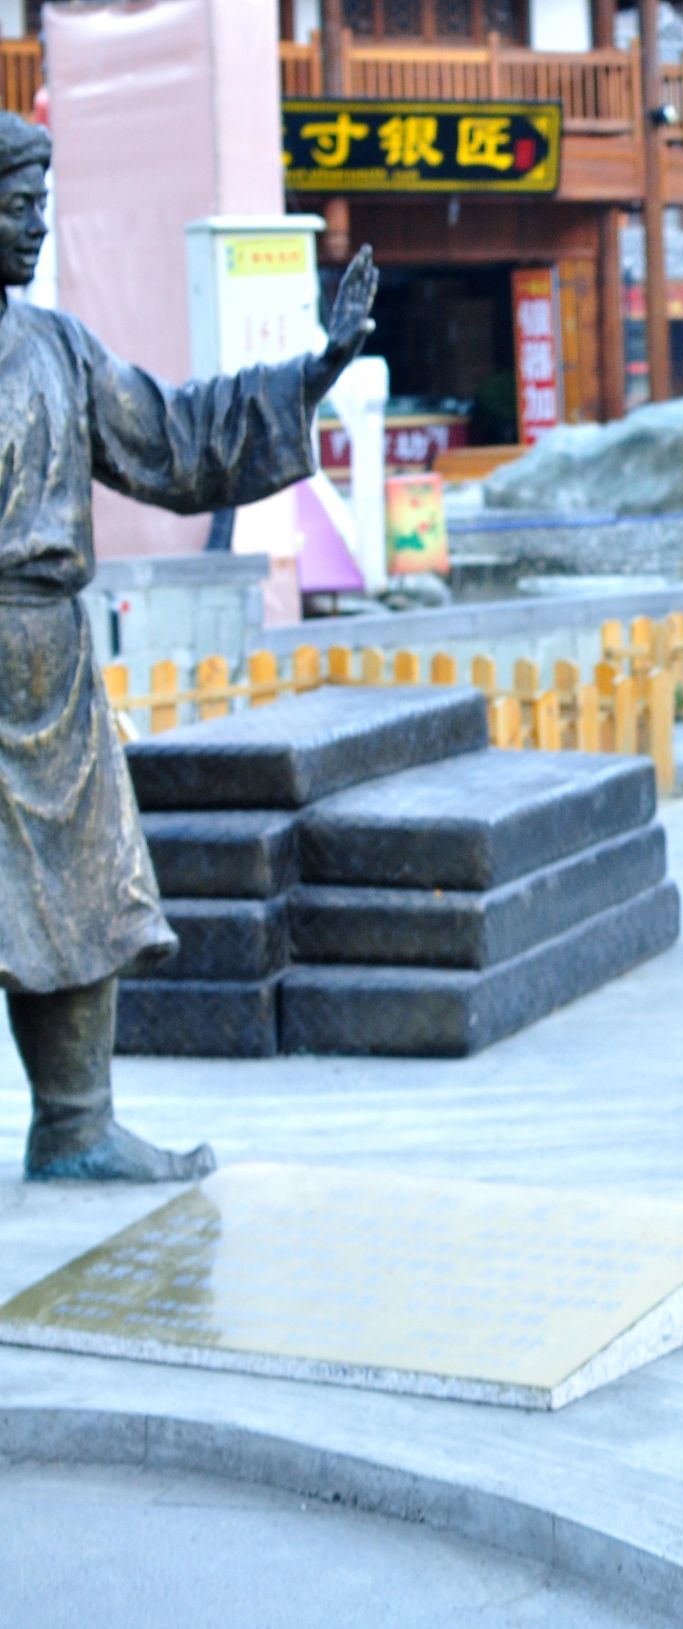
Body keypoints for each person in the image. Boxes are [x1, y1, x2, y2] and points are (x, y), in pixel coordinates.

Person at [0, 114, 377, 1182]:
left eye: (39, 207)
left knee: (85, 885)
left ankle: (76, 1125)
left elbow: (172, 436)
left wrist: (315, 371)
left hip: (46, 658)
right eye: (16, 207)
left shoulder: (56, 348)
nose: (35, 228)